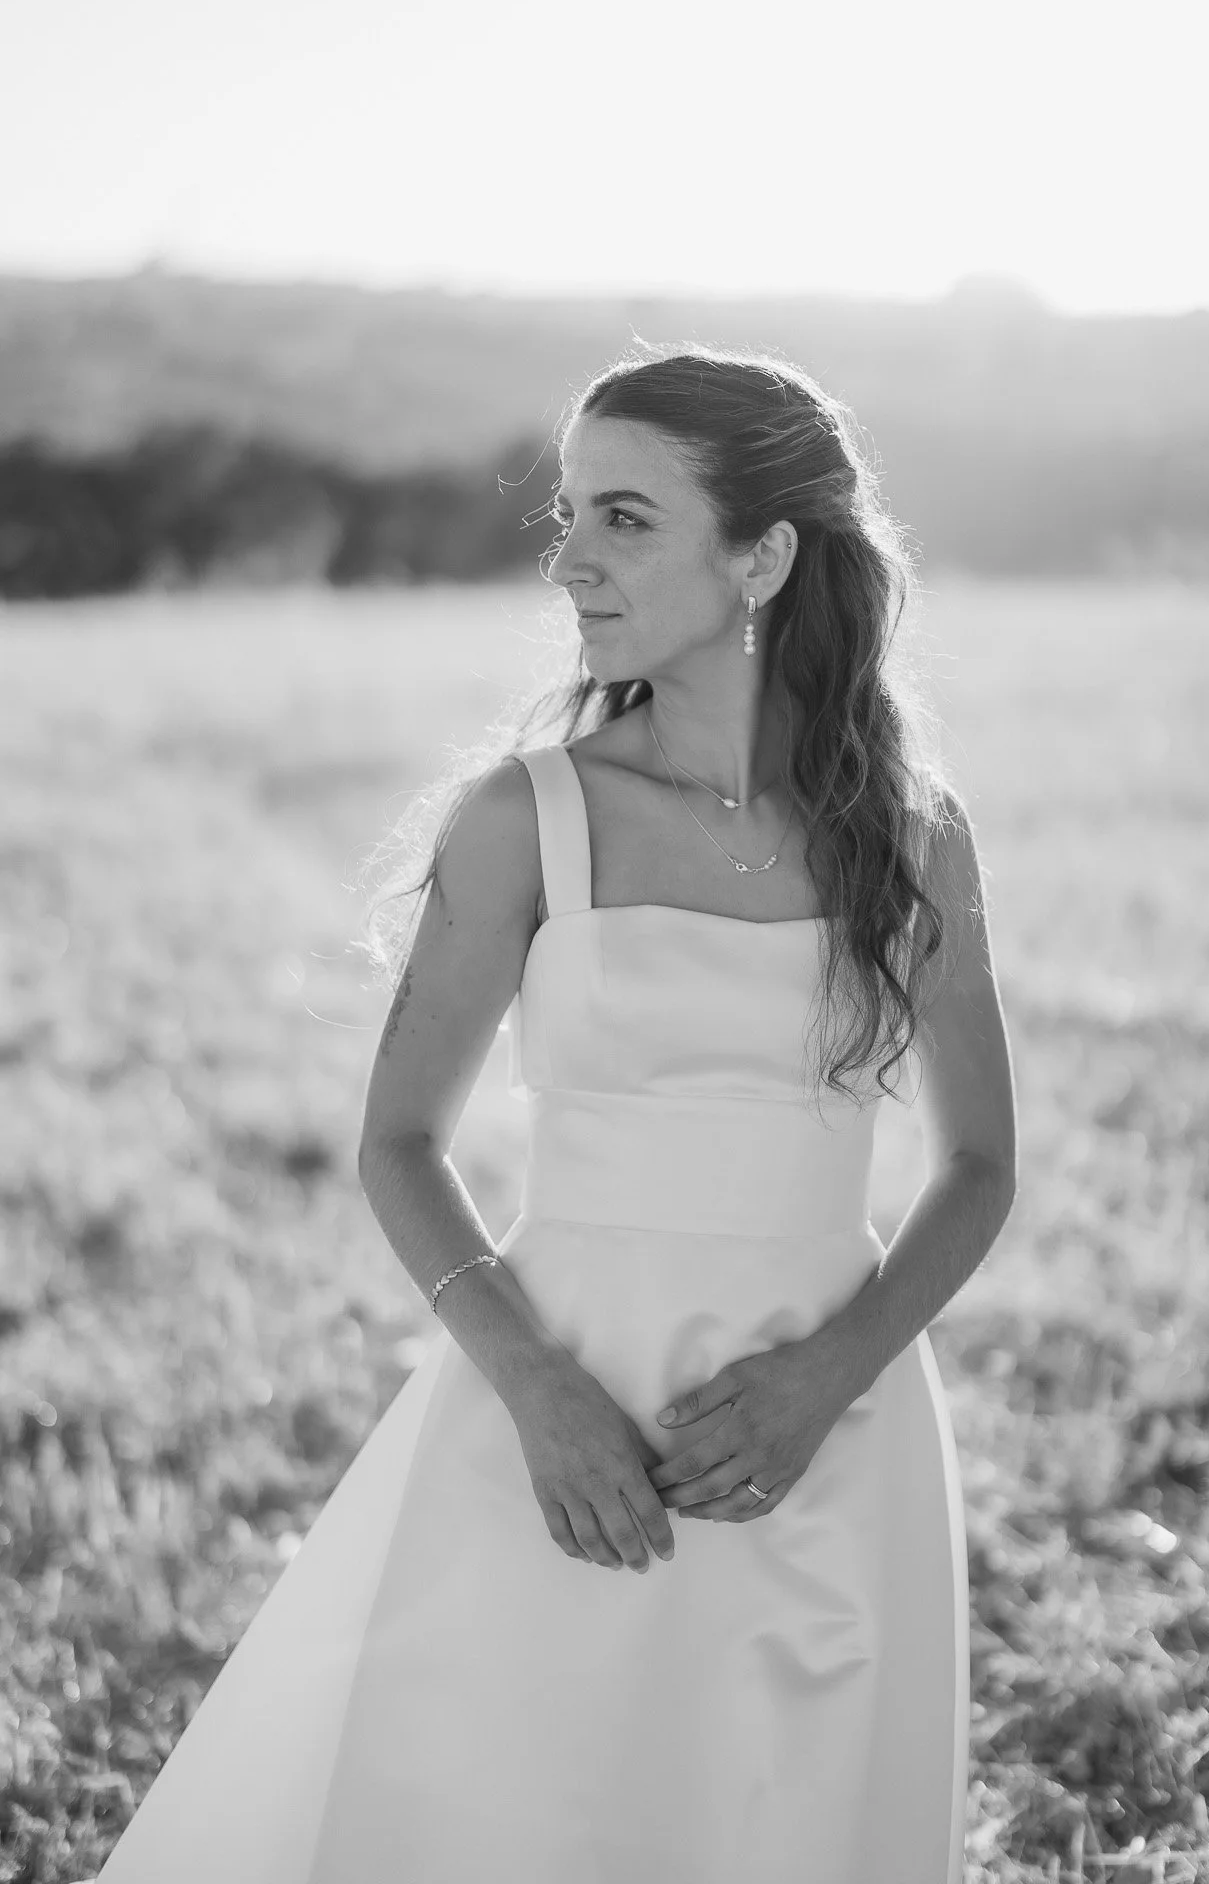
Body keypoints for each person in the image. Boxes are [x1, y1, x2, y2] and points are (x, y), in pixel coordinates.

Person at [96, 344, 1017, 1884]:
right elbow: (399, 1142)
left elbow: (979, 1166)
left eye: (627, 519)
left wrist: (826, 1379)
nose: (569, 556)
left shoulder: (910, 840)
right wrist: (538, 1388)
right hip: (556, 1407)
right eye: (571, 512)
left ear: (765, 556)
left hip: (830, 1433)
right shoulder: (528, 817)